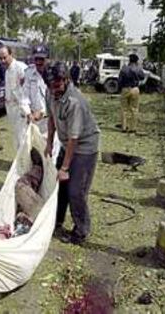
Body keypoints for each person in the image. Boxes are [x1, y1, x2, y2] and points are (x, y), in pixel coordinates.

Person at [44, 61, 100, 245]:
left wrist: (65, 167)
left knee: (76, 191)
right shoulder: (50, 91)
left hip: (84, 147)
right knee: (60, 187)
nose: (55, 90)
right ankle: (57, 221)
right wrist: (49, 142)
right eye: (52, 86)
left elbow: (74, 139)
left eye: (58, 85)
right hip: (66, 142)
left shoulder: (75, 101)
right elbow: (51, 118)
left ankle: (81, 231)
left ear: (66, 80)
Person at [0, 46, 28, 149]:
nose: (3, 61)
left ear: (11, 55)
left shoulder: (20, 67)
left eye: (5, 57)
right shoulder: (7, 71)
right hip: (11, 108)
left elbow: (26, 88)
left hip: (20, 108)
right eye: (0, 58)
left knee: (22, 136)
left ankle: (24, 161)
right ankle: (20, 160)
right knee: (16, 136)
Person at [22, 44, 50, 134]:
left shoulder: (53, 74)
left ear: (48, 59)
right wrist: (28, 113)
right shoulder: (29, 73)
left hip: (50, 119)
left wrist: (42, 112)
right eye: (36, 59)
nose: (38, 62)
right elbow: (24, 97)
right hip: (34, 119)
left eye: (41, 59)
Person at [118, 53, 145, 133]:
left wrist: (121, 89)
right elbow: (142, 77)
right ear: (136, 61)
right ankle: (133, 128)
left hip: (125, 88)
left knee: (124, 109)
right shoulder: (138, 68)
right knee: (134, 109)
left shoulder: (124, 69)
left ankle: (124, 127)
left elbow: (119, 80)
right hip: (135, 89)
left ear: (129, 60)